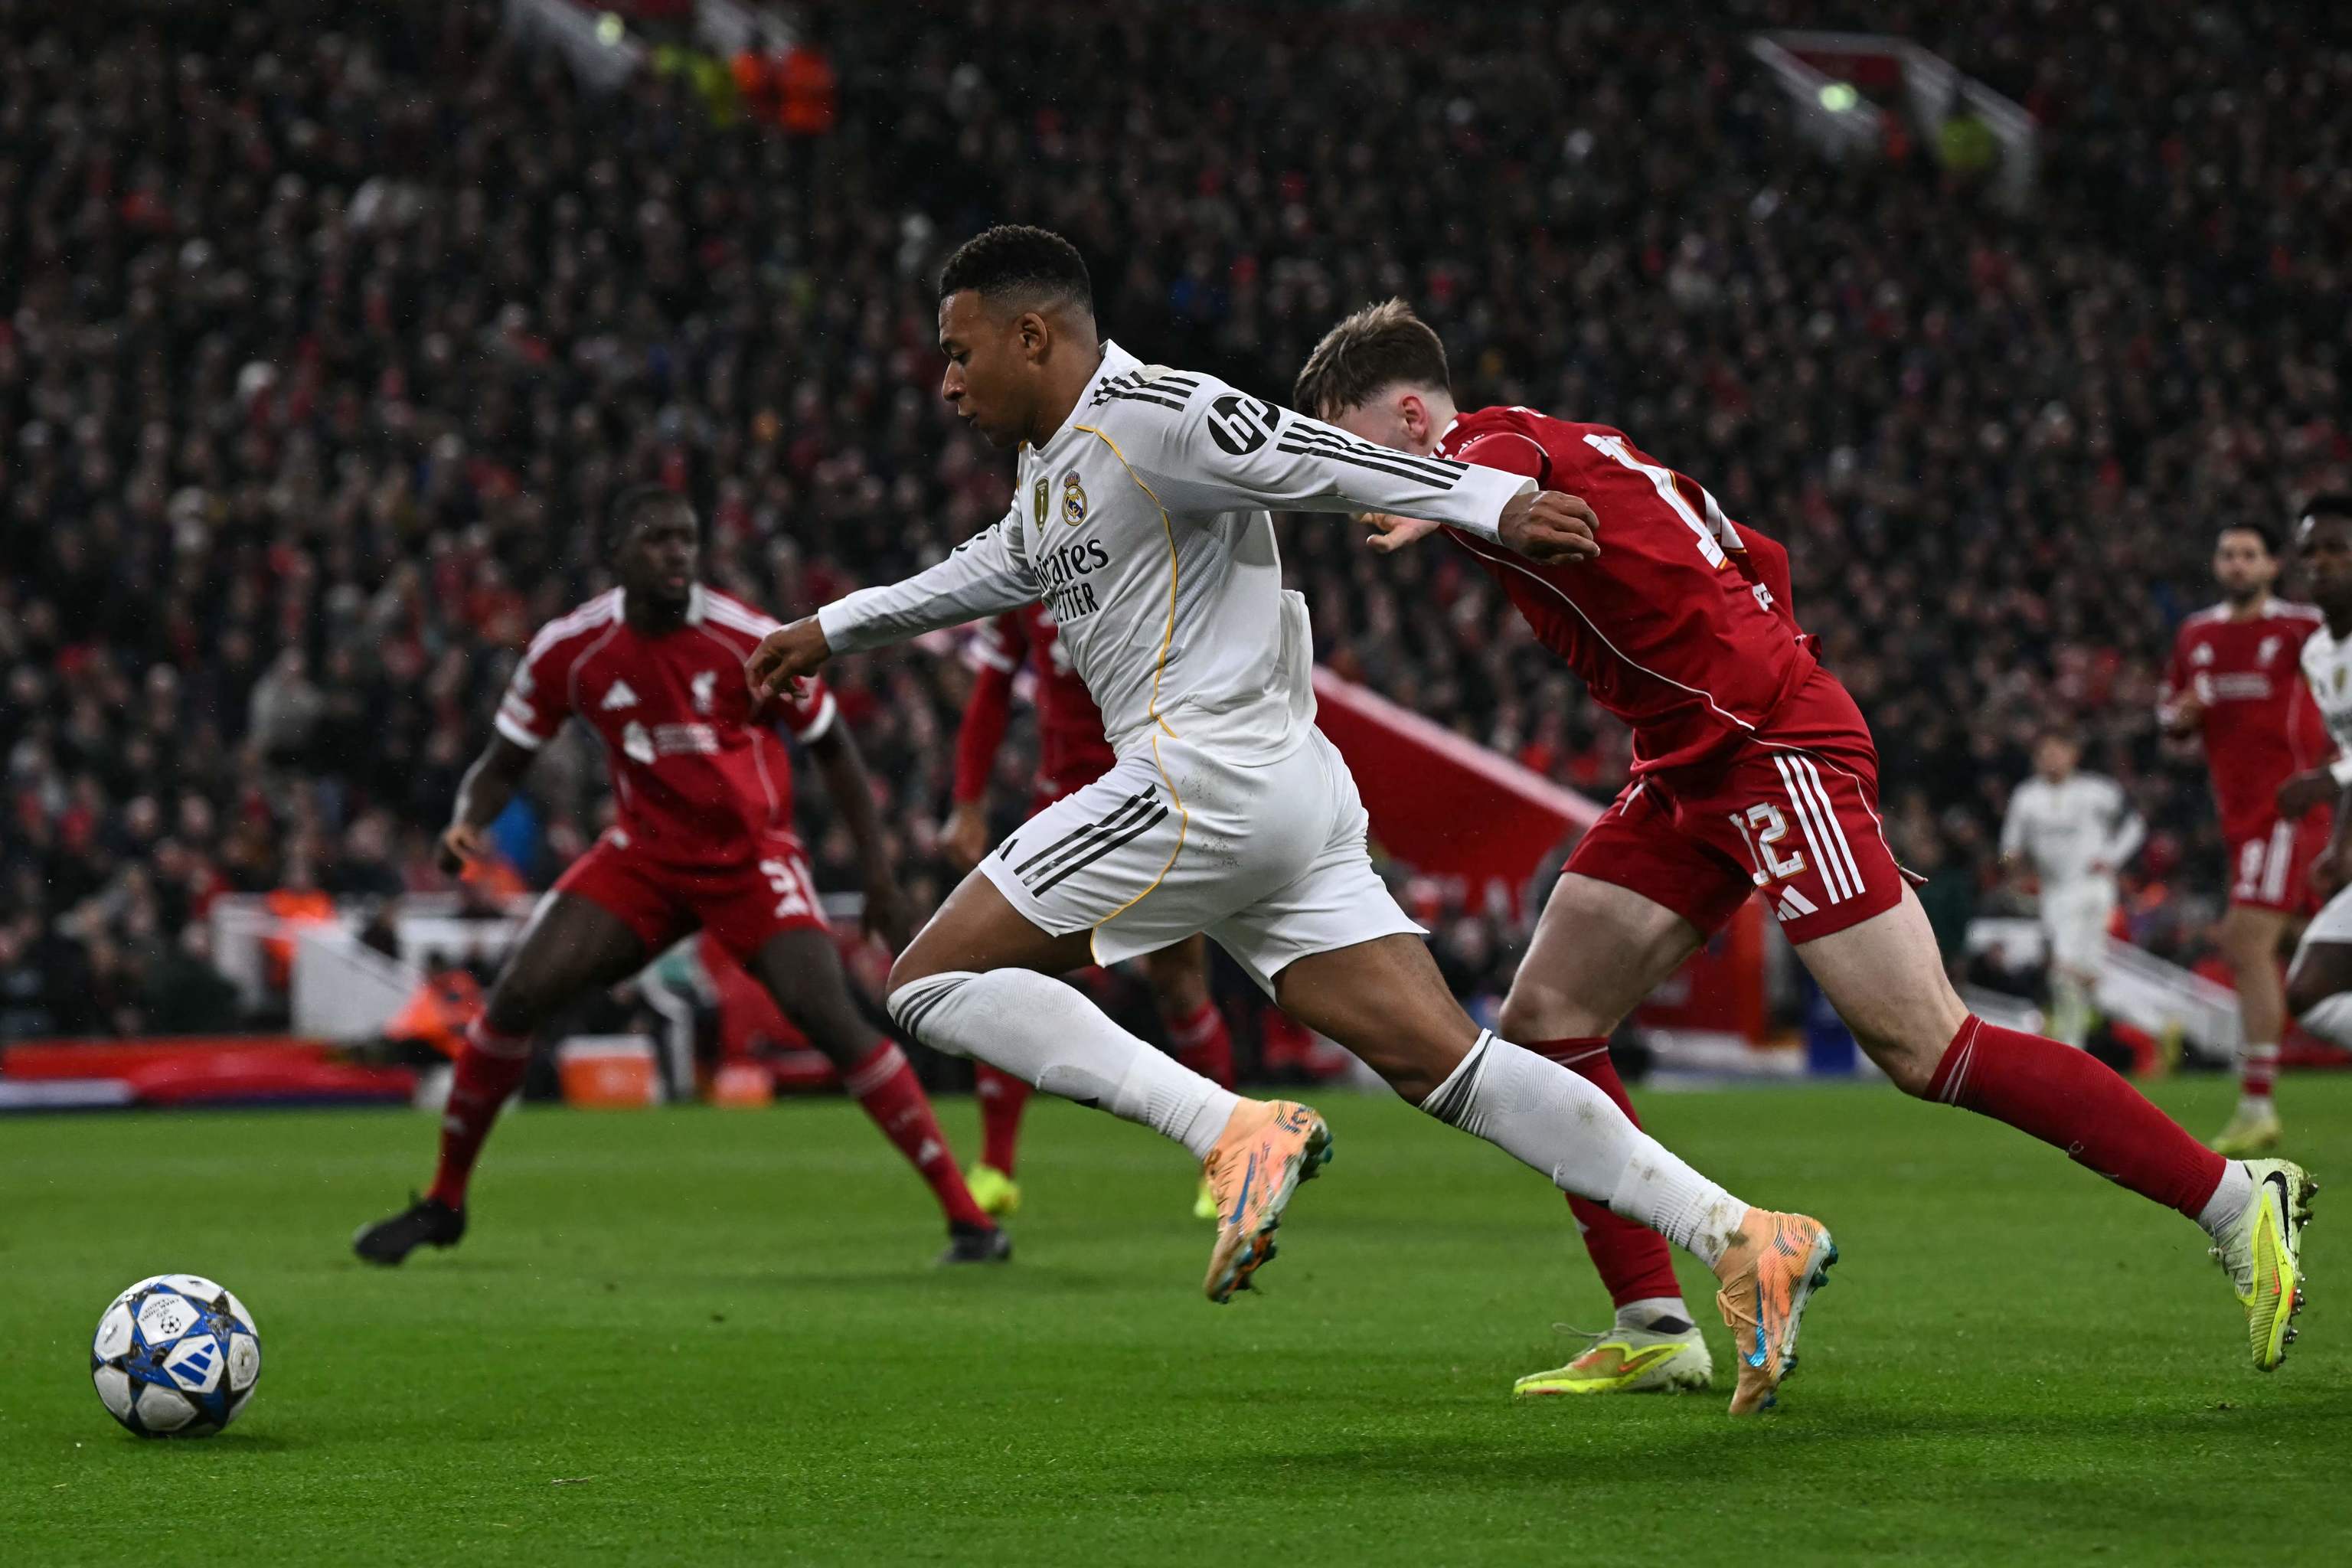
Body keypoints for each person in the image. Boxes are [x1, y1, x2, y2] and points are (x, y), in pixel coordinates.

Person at [748, 226, 1835, 1416]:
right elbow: (986, 569)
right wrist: (829, 630)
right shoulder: (1052, 470)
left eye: (960, 354)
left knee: (926, 983)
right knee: (1455, 1067)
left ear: (1034, 335)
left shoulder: (1158, 412)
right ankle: (1741, 1234)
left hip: (1199, 780)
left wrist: (1490, 502)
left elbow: (1307, 453)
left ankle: (1229, 1130)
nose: (947, 382)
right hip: (1285, 799)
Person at [1291, 297, 2314, 1384]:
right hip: (1694, 759)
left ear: (1411, 417)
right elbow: (1757, 553)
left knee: (1927, 1046)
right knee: (1548, 1021)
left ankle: (2234, 1198)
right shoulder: (1582, 441)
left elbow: (1497, 476)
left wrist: (1814, 766)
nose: (1353, 475)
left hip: (1766, 749)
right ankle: (1654, 1324)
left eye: (1352, 442)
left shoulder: (1489, 449)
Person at [354, 488, 1008, 1268]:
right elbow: (505, 760)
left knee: (831, 1017)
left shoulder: (746, 636)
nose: (677, 554)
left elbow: (832, 745)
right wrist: (469, 819)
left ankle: (971, 1221)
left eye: (687, 539)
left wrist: (879, 878)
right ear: (617, 553)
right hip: (645, 858)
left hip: (751, 858)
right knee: (515, 999)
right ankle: (444, 1202)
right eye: (658, 538)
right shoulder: (571, 649)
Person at [944, 603, 1235, 1220]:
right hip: (1060, 810)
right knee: (1002, 975)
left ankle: (1226, 1157)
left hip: (1151, 806)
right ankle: (995, 1167)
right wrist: (968, 803)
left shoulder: (1155, 571)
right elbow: (993, 687)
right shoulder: (1029, 575)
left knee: (1177, 978)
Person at [2159, 525, 2331, 1154]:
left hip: (2288, 809)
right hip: (2238, 818)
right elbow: (2168, 709)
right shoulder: (2196, 634)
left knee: (2243, 940)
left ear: (2273, 565)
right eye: (2228, 554)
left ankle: (2257, 1104)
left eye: (2249, 555)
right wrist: (2178, 717)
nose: (2237, 564)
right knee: (2297, 943)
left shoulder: (2303, 627)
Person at [1999, 730, 2147, 1048]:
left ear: (2073, 755)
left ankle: (2071, 1046)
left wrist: (2112, 857)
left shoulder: (2097, 791)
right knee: (2075, 975)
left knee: (2063, 969)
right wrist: (2014, 865)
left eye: (2058, 752)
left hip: (2092, 887)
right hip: (2054, 892)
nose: (2051, 759)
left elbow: (2135, 824)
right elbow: (2010, 846)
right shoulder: (2026, 797)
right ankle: (2080, 1038)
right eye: (2045, 754)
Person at [2276, 501, 2352, 1069]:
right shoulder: (2318, 654)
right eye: (2310, 552)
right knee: (2309, 991)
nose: (2320, 562)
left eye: (2336, 549)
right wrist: (2340, 847)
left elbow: (2343, 767)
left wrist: (2329, 779)